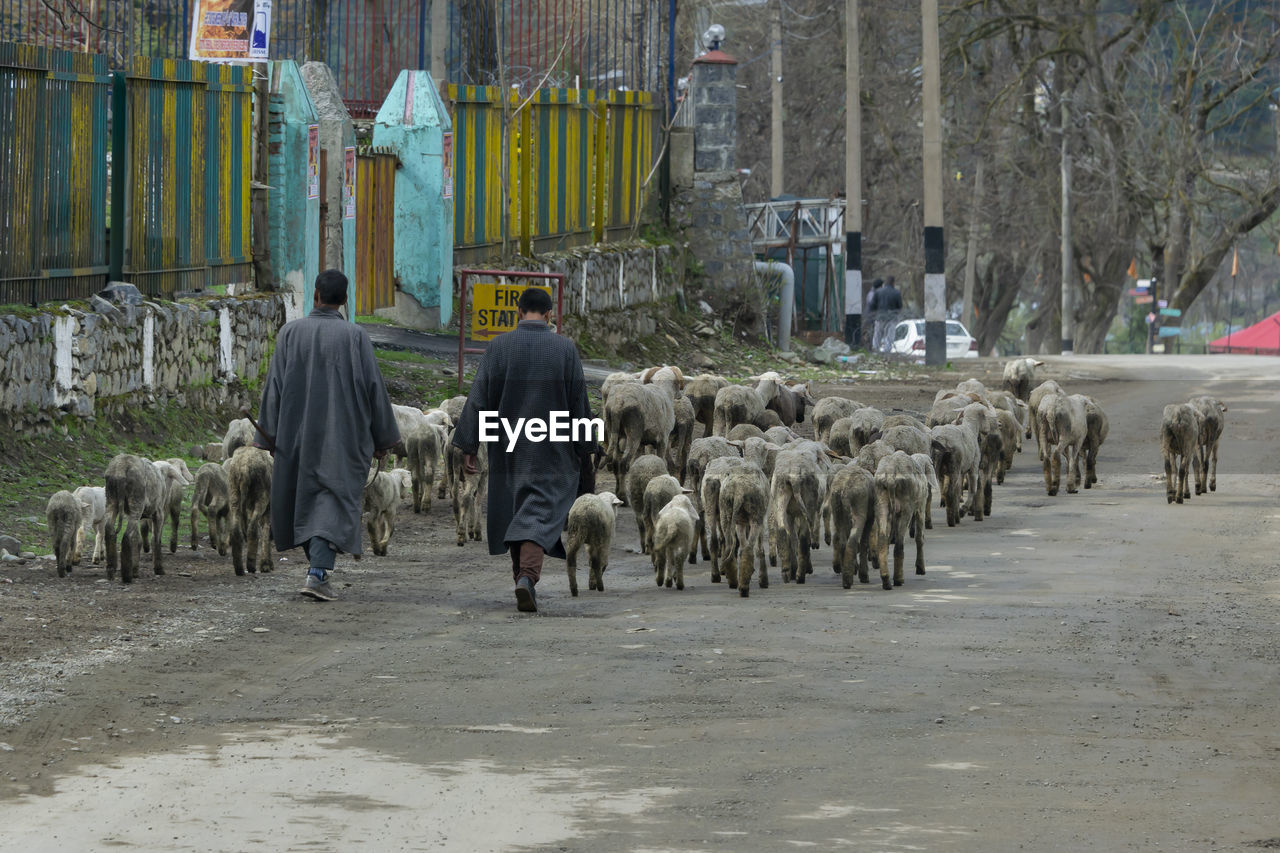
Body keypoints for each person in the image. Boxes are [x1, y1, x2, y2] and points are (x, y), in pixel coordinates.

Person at [253, 269, 400, 602]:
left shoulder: (289, 334)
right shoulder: (355, 337)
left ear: (315, 295)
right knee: (333, 500)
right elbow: (374, 389)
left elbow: (273, 389)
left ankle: (316, 566)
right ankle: (317, 573)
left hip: (296, 436)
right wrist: (383, 438)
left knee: (301, 500)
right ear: (345, 301)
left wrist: (268, 435)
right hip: (344, 437)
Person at [451, 286, 595, 613]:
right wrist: (585, 447)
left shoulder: (499, 346)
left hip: (508, 443)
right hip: (553, 444)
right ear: (549, 314)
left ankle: (522, 577)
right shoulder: (564, 348)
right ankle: (527, 577)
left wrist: (469, 445)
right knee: (541, 506)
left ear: (518, 312)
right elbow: (578, 402)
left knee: (517, 504)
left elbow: (479, 397)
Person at [873, 275, 903, 353]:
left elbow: (873, 305)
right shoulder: (896, 293)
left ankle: (875, 350)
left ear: (885, 282)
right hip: (891, 318)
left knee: (877, 335)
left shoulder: (878, 292)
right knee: (889, 337)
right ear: (893, 283)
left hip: (880, 317)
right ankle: (887, 352)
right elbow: (899, 306)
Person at [863, 278, 883, 350]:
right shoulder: (872, 293)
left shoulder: (873, 293)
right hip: (871, 317)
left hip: (873, 317)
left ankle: (871, 348)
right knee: (870, 333)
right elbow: (872, 304)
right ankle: (869, 348)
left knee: (873, 333)